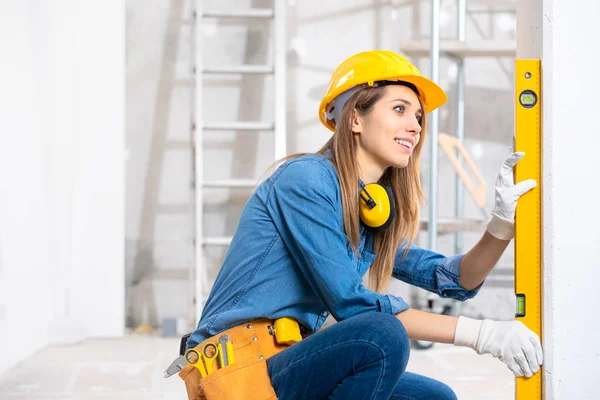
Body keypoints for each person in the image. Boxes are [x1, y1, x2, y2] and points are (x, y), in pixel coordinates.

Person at [178, 50, 543, 400]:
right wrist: (482, 335)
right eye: (400, 109)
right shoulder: (306, 180)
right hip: (235, 372)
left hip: (284, 360)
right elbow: (352, 304)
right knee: (380, 335)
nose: (414, 127)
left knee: (434, 397)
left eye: (418, 116)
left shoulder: (369, 210)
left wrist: (501, 225)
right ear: (355, 118)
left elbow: (453, 279)